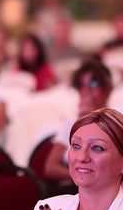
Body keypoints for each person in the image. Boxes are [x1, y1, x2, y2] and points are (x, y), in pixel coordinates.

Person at [44, 57, 113, 192]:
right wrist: (81, 176)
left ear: (107, 89)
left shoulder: (116, 123)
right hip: (73, 190)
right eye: (81, 85)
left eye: (93, 84)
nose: (86, 90)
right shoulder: (72, 123)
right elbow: (50, 167)